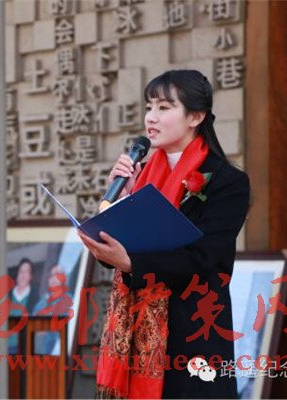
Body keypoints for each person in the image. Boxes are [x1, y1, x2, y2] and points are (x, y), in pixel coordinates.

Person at [78, 70, 250, 399]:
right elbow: (116, 254)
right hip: (135, 334)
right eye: (149, 107)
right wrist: (123, 199)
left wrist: (131, 263)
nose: (151, 117)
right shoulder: (141, 176)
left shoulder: (226, 181)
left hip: (193, 332)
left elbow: (203, 260)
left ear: (195, 117)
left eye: (164, 107)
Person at [7, 258, 39, 354]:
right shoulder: (7, 294)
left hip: (23, 348)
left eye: (26, 272)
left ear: (30, 276)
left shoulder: (35, 298)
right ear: (17, 274)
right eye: (21, 271)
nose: (23, 275)